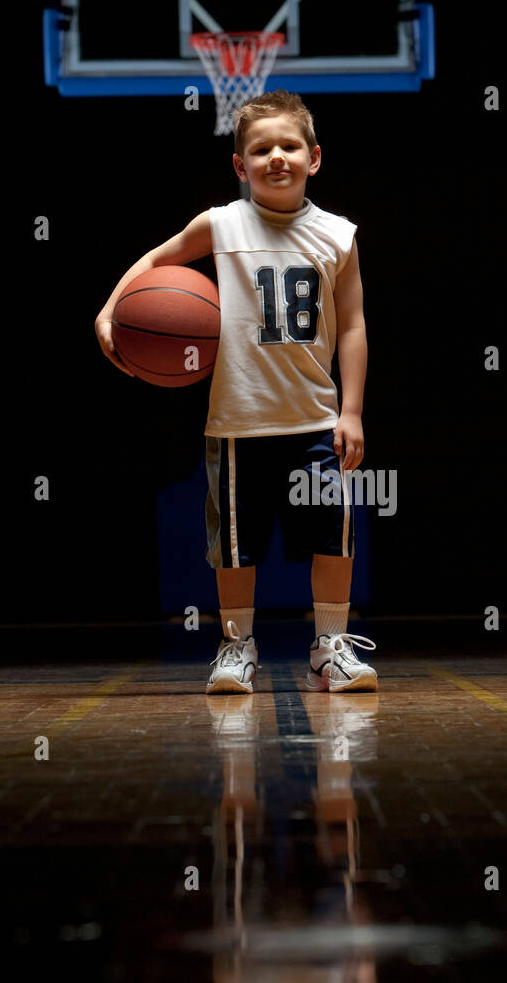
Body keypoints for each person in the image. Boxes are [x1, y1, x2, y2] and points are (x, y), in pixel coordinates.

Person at [95, 90, 377, 694]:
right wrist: (111, 309)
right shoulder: (221, 224)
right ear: (239, 165)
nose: (277, 156)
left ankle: (330, 645)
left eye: (289, 145)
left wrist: (351, 411)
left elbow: (352, 326)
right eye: (261, 148)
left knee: (334, 536)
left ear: (315, 157)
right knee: (233, 549)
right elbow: (154, 260)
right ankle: (235, 646)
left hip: (313, 421)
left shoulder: (338, 235)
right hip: (236, 423)